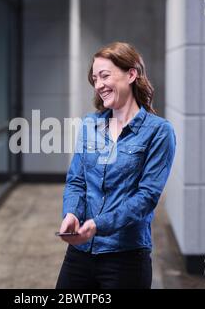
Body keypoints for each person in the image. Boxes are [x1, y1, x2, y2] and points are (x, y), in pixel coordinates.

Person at [56, 42, 176, 289]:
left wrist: (99, 225)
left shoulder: (159, 132)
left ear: (131, 74)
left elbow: (146, 197)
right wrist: (71, 213)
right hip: (80, 252)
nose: (98, 84)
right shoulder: (90, 124)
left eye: (104, 75)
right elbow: (77, 180)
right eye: (94, 78)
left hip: (125, 257)